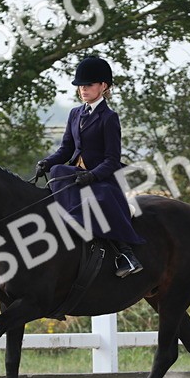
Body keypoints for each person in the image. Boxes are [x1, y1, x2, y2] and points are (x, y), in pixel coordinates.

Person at [36, 56, 144, 277]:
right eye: (81, 86)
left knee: (101, 198)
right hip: (75, 174)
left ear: (103, 86)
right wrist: (47, 162)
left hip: (102, 178)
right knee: (57, 171)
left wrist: (93, 176)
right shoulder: (75, 113)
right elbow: (66, 150)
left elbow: (112, 159)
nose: (83, 89)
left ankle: (126, 255)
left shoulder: (109, 118)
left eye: (89, 85)